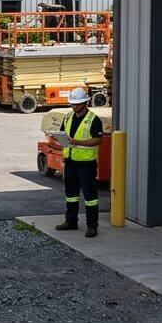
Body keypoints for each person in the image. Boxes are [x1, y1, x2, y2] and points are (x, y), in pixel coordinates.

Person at [54, 87, 104, 237]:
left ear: (85, 102)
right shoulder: (68, 117)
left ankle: (92, 226)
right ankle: (71, 221)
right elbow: (63, 134)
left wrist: (78, 142)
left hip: (86, 164)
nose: (75, 106)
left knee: (90, 197)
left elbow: (98, 139)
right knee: (71, 194)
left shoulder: (93, 119)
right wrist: (59, 139)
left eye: (78, 104)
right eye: (73, 104)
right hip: (70, 161)